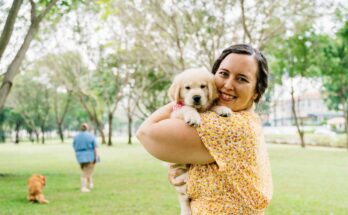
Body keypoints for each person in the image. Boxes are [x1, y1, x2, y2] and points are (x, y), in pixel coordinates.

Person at [136, 44, 273, 214]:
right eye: (223, 74)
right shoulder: (248, 120)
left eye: (242, 79)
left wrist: (178, 103)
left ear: (256, 93)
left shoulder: (230, 126)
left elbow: (145, 133)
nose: (228, 85)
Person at [73, 123, 99, 193]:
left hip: (79, 156)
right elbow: (95, 147)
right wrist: (96, 156)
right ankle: (83, 187)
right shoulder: (91, 136)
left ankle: (90, 184)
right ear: (87, 128)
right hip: (89, 156)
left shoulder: (76, 137)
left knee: (85, 170)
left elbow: (74, 147)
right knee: (86, 172)